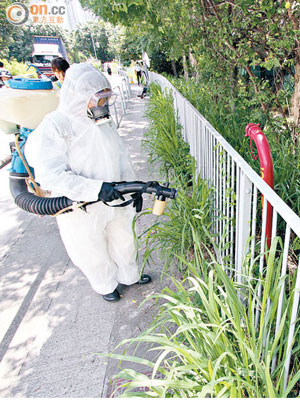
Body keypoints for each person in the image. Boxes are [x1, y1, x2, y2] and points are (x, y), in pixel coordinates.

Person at [25, 63, 151, 302]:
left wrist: (134, 187)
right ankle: (105, 285)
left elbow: (120, 156)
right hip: (81, 205)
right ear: (79, 96)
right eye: (98, 100)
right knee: (90, 247)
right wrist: (94, 189)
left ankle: (130, 275)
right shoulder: (57, 125)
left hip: (116, 196)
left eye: (105, 99)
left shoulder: (101, 121)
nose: (103, 105)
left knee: (125, 239)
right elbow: (50, 174)